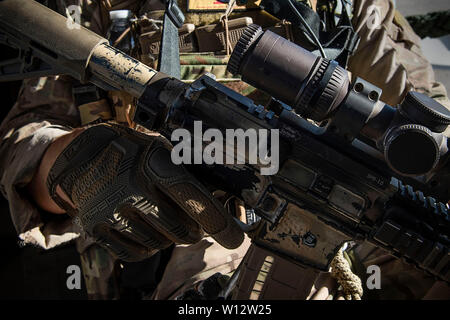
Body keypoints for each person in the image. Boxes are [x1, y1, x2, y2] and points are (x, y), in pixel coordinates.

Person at [0, 0, 449, 299]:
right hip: (152, 240)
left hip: (324, 230)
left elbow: (425, 132)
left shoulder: (348, 7)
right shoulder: (101, 7)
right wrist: (83, 166)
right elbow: (27, 139)